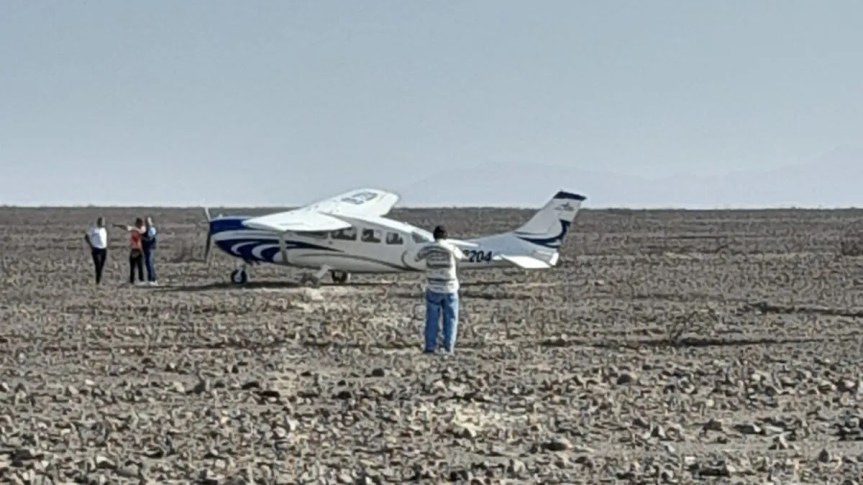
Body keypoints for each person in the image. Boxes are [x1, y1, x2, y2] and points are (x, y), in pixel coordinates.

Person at [414, 225, 464, 353]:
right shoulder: (451, 248)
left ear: (434, 236)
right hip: (450, 288)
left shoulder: (428, 248)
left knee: (432, 319)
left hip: (434, 288)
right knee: (451, 318)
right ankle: (449, 347)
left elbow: (416, 257)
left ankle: (430, 347)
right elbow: (460, 257)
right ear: (446, 236)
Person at [115, 218, 145, 284]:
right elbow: (126, 227)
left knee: (140, 266)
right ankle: (132, 280)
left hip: (140, 249)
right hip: (134, 249)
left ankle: (141, 280)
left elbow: (140, 232)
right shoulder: (134, 229)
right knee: (132, 266)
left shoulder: (142, 230)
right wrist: (118, 225)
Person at [84, 217, 108, 284]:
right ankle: (98, 281)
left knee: (101, 265)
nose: (103, 223)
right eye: (101, 221)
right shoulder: (94, 229)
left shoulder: (104, 229)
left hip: (104, 249)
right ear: (98, 222)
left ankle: (99, 279)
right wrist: (91, 246)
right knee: (97, 265)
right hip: (96, 249)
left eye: (104, 222)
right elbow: (86, 236)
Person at [142, 216, 158, 285]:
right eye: (146, 222)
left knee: (149, 263)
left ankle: (152, 279)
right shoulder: (146, 229)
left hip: (149, 248)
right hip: (146, 248)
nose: (147, 223)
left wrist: (142, 238)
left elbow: (150, 239)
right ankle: (151, 279)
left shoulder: (152, 230)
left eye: (148, 222)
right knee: (148, 263)